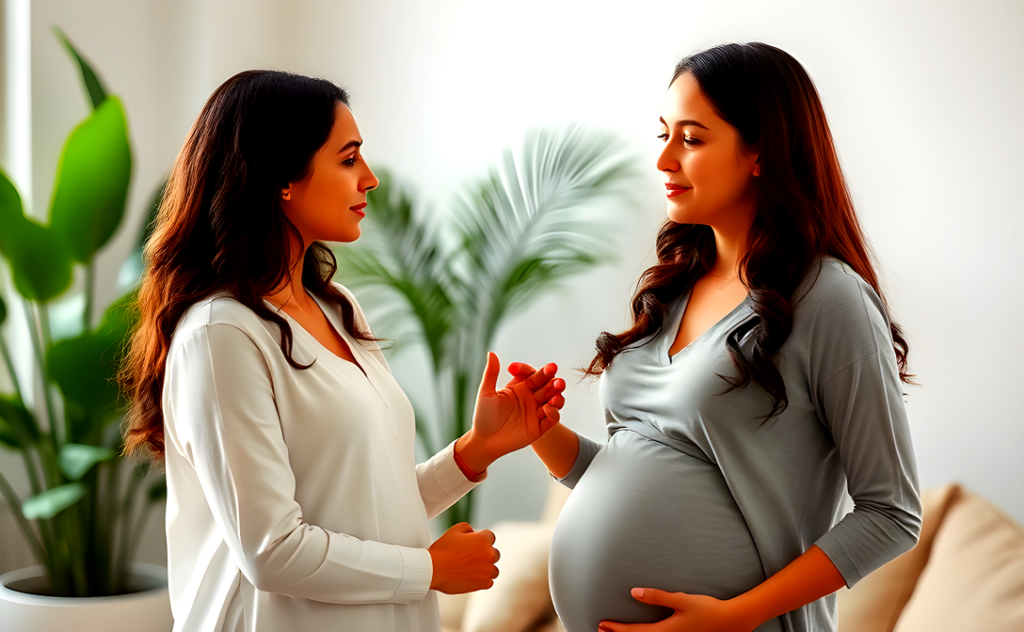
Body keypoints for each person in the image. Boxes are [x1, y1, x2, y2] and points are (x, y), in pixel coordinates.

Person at [117, 70, 567, 632]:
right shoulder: (220, 335)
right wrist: (427, 569)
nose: (370, 179)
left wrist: (474, 451)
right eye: (349, 158)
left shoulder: (337, 308)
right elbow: (272, 551)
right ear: (283, 177)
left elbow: (364, 510)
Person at [519, 43, 922, 632]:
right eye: (662, 134)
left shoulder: (829, 298)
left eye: (691, 138)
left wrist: (735, 616)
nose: (661, 160)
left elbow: (892, 513)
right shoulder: (675, 288)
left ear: (760, 151)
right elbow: (639, 470)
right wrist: (540, 431)